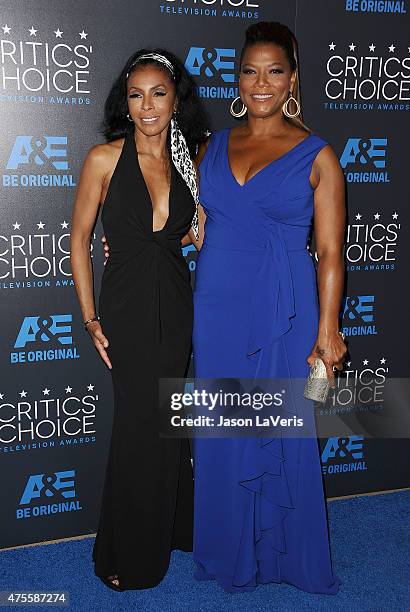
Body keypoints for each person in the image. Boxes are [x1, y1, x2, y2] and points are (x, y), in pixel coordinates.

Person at [190, 21, 347, 594]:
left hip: (285, 308)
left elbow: (330, 252)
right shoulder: (211, 147)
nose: (261, 82)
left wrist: (328, 329)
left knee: (282, 427)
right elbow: (194, 225)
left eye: (274, 71)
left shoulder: (318, 155)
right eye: (251, 70)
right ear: (237, 77)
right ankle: (228, 551)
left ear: (293, 79)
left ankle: (286, 558)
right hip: (217, 306)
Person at [70, 49, 208, 591]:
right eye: (136, 94)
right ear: (125, 103)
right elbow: (79, 242)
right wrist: (90, 317)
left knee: (170, 418)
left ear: (176, 100)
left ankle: (177, 527)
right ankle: (129, 551)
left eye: (158, 93)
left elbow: (200, 235)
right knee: (136, 427)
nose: (147, 105)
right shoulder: (103, 159)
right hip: (124, 307)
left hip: (175, 302)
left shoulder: (188, 164)